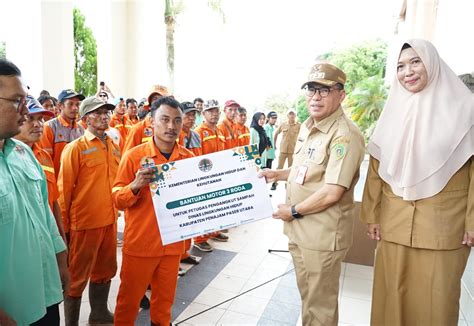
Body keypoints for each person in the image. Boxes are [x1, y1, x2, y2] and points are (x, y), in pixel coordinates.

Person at [360, 39, 474, 326]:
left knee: (437, 303)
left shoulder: (466, 110)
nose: (407, 71)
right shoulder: (393, 112)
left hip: (444, 227)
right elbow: (377, 166)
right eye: (400, 66)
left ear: (432, 63)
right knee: (391, 298)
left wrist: (473, 222)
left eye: (415, 62)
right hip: (393, 223)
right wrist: (372, 214)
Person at [260, 62, 364, 325]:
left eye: (325, 91)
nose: (316, 97)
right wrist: (278, 174)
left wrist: (293, 211)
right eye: (311, 90)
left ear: (341, 95)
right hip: (300, 230)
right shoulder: (310, 127)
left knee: (320, 307)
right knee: (309, 298)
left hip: (322, 235)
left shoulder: (344, 135)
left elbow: (333, 191)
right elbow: (305, 170)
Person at [112, 96, 193, 326]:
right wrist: (135, 186)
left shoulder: (188, 159)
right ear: (151, 123)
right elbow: (117, 199)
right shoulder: (134, 157)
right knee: (128, 303)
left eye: (177, 121)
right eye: (165, 119)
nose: (171, 126)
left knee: (164, 303)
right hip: (141, 244)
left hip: (172, 246)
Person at [0, 59, 69, 326]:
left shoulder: (24, 154)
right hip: (12, 310)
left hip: (45, 292)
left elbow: (44, 213)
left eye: (25, 100)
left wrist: (60, 258)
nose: (24, 110)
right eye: (16, 100)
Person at [58, 96, 119, 325]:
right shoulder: (75, 149)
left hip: (109, 221)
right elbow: (64, 194)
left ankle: (99, 314)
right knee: (76, 278)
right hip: (84, 224)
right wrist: (64, 232)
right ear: (85, 120)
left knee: (105, 271)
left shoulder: (113, 146)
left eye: (107, 112)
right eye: (98, 112)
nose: (104, 116)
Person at [13, 96, 66, 241]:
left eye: (41, 118)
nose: (38, 124)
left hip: (47, 234)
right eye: (30, 118)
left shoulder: (44, 157)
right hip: (22, 238)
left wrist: (61, 239)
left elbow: (53, 201)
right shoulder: (7, 158)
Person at [193, 99, 228, 251]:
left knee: (216, 206)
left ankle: (213, 231)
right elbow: (196, 159)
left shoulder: (219, 131)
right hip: (206, 176)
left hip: (219, 175)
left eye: (216, 111)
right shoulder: (198, 132)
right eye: (210, 111)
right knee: (205, 207)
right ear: (203, 113)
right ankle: (200, 238)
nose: (214, 114)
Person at [39, 88, 85, 178]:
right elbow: (46, 164)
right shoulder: (49, 127)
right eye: (70, 104)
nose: (75, 108)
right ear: (60, 106)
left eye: (77, 104)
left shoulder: (81, 129)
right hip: (57, 185)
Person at [123, 85, 170, 153]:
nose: (158, 103)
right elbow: (127, 160)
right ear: (149, 106)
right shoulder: (137, 130)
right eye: (155, 99)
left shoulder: (176, 130)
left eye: (162, 99)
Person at [271, 108, 301, 190]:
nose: (291, 116)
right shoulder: (283, 124)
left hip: (293, 151)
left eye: (293, 114)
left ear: (295, 115)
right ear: (287, 115)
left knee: (291, 168)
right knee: (279, 167)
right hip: (283, 150)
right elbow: (276, 134)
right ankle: (275, 183)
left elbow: (303, 137)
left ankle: (288, 184)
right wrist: (274, 144)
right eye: (290, 114)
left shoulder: (299, 125)